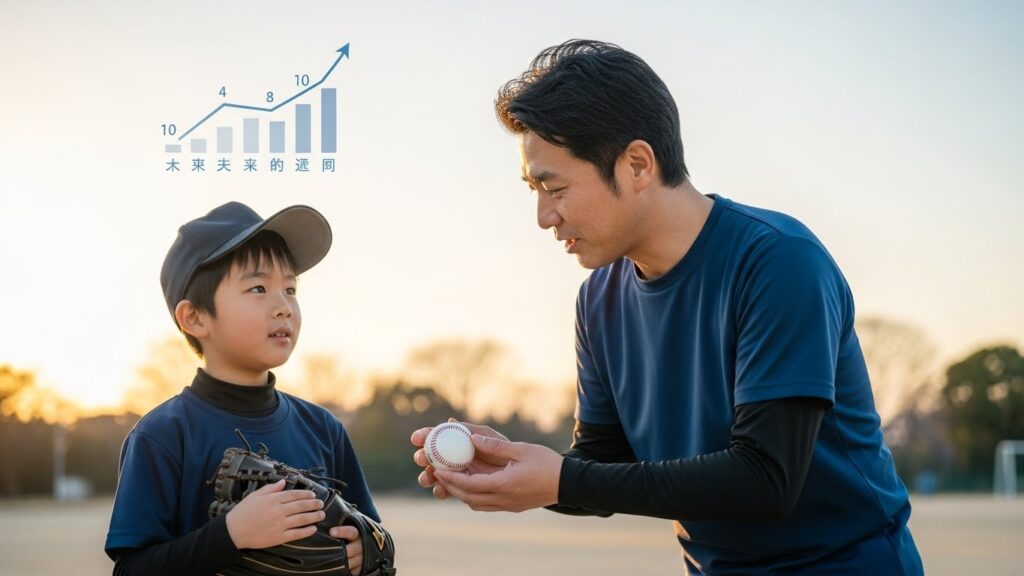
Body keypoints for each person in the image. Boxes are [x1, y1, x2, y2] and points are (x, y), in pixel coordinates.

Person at [412, 40, 924, 575]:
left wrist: (560, 479)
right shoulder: (599, 299)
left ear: (637, 165)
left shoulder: (778, 261)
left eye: (554, 187)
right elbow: (603, 463)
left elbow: (766, 479)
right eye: (533, 190)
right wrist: (515, 467)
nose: (543, 216)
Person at [106, 202, 377, 575]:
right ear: (195, 317)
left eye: (291, 288)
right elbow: (132, 569)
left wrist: (367, 549)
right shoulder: (163, 434)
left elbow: (371, 533)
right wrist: (230, 534)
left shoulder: (323, 428)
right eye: (258, 287)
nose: (283, 306)